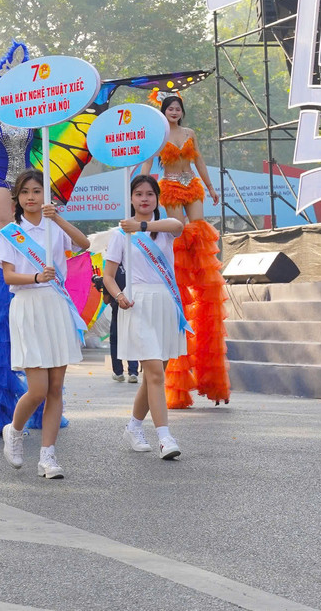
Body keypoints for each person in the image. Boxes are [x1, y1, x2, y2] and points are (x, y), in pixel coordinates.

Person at [138, 93, 231, 407]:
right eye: (170, 108)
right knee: (178, 231)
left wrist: (213, 187)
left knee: (199, 231)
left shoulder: (190, 135)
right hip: (169, 186)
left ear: (182, 113)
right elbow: (149, 163)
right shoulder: (158, 134)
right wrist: (140, 184)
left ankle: (199, 265)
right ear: (163, 113)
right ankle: (181, 267)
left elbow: (199, 160)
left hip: (192, 184)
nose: (175, 112)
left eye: (178, 109)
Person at [0, 170, 91, 479]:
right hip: (28, 305)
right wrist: (37, 276)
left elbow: (84, 243)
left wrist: (59, 218)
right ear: (18, 198)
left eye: (37, 191)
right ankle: (14, 429)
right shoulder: (10, 234)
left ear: (45, 196)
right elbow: (9, 276)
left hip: (56, 305)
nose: (31, 197)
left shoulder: (54, 227)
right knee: (37, 389)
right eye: (25, 192)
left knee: (55, 388)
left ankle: (48, 456)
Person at [104, 174, 187, 459]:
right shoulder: (119, 235)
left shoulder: (162, 229)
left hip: (165, 304)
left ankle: (134, 426)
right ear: (130, 198)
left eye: (149, 194)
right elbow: (109, 276)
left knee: (155, 374)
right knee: (153, 372)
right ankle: (165, 437)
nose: (144, 199)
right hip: (137, 304)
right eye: (138, 194)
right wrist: (119, 296)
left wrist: (141, 225)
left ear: (156, 198)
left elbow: (179, 225)